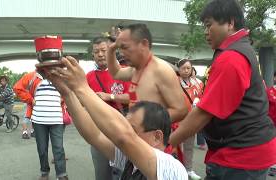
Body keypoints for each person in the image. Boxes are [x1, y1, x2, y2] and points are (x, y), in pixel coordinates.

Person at [169, 0, 276, 179]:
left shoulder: (231, 58)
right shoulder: (244, 49)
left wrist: (169, 142)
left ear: (230, 23)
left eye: (209, 25)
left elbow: (204, 113)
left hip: (240, 156)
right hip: (250, 150)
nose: (205, 32)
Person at [40, 56, 188, 180]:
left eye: (133, 130)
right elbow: (95, 135)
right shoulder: (130, 160)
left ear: (157, 137)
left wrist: (82, 88)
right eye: (127, 126)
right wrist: (67, 92)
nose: (126, 132)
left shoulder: (172, 168)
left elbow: (124, 137)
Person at [106, 23, 187, 122]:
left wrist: (145, 122)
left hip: (152, 135)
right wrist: (111, 49)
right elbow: (116, 73)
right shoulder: (136, 69)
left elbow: (181, 110)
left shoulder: (161, 70)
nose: (122, 53)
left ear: (144, 44)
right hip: (136, 134)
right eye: (120, 48)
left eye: (125, 47)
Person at [86, 36, 130, 180]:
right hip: (99, 131)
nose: (100, 54)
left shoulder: (124, 72)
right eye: (96, 51)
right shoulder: (88, 77)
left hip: (122, 129)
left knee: (125, 171)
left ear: (111, 51)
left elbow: (133, 97)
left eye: (103, 50)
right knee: (102, 173)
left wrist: (110, 96)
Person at [14, 70, 69, 180]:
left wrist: (63, 98)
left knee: (58, 148)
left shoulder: (59, 75)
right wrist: (30, 99)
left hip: (56, 120)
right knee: (42, 148)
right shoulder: (32, 76)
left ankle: (61, 174)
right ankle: (44, 172)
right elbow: (17, 88)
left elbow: (70, 90)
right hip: (39, 121)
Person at [177, 59, 202, 180]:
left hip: (191, 120)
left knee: (189, 146)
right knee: (175, 146)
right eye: (183, 68)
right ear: (179, 69)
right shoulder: (174, 83)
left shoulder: (198, 83)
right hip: (177, 120)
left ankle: (189, 169)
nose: (186, 71)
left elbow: (202, 98)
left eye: (188, 68)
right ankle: (175, 169)